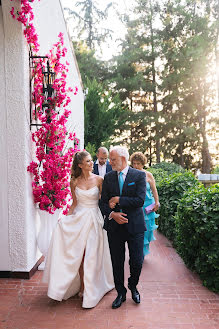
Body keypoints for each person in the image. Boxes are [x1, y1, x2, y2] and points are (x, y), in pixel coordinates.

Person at [43, 151, 114, 308]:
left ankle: (93, 288)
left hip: (94, 219)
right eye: (88, 161)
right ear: (80, 165)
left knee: (91, 254)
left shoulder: (100, 180)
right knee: (80, 255)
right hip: (79, 218)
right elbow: (74, 204)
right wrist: (66, 218)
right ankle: (82, 286)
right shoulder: (74, 181)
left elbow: (104, 201)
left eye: (91, 160)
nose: (91, 163)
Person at [100, 146, 146, 309]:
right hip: (115, 227)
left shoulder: (139, 175)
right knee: (116, 262)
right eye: (110, 159)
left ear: (123, 159)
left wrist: (119, 199)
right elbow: (103, 203)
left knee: (137, 261)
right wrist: (113, 215)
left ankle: (133, 286)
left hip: (135, 226)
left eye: (113, 159)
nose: (110, 162)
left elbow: (140, 200)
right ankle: (120, 292)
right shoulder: (108, 177)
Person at [130, 152, 159, 257]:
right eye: (134, 163)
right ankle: (137, 252)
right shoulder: (130, 175)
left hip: (148, 206)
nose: (136, 166)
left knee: (147, 230)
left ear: (143, 163)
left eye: (138, 163)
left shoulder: (148, 175)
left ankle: (142, 252)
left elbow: (154, 190)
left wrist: (157, 202)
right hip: (136, 206)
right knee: (136, 231)